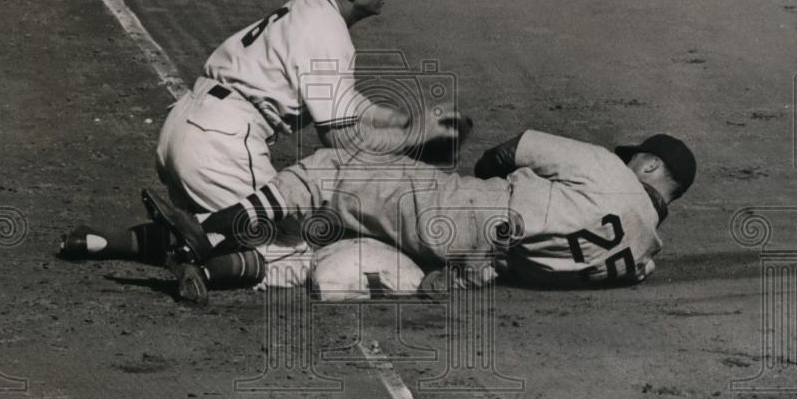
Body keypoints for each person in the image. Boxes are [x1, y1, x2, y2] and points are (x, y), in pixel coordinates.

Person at [60, 0, 458, 285]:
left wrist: (405, 120)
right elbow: (339, 140)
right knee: (297, 250)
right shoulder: (328, 36)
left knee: (214, 229)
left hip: (184, 127)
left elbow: (346, 103)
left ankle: (102, 241)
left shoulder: (310, 8)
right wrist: (414, 138)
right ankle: (199, 269)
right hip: (222, 143)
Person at [177, 130, 696, 301]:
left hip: (460, 214)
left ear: (649, 166)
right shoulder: (643, 258)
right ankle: (215, 270)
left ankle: (209, 233)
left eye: (638, 158)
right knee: (332, 247)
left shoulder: (609, 168)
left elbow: (511, 149)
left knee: (333, 170)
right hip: (474, 270)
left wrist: (477, 178)